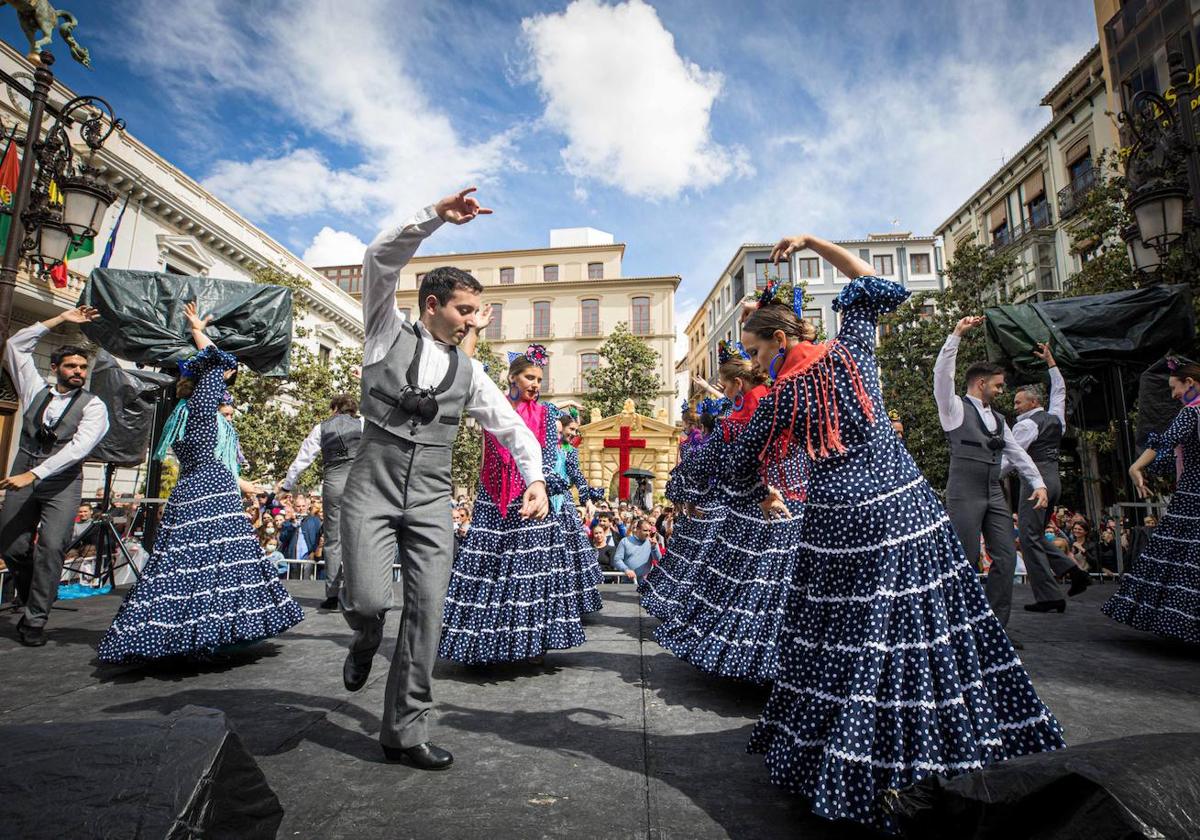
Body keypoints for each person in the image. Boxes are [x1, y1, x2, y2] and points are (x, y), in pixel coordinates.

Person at [686, 234, 1064, 833]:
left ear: (782, 341)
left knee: (849, 639)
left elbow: (734, 462)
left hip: (840, 522)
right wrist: (813, 240)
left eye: (757, 352)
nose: (755, 364)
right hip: (905, 510)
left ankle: (859, 761)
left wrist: (692, 477)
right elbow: (879, 284)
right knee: (922, 629)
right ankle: (938, 748)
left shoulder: (780, 397)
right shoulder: (853, 349)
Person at [338, 188, 550, 772]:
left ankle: (404, 731)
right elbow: (379, 257)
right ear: (432, 305)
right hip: (372, 486)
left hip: (431, 497)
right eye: (463, 310)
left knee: (428, 609)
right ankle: (363, 636)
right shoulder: (384, 331)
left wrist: (536, 480)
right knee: (367, 599)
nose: (471, 321)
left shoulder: (472, 371)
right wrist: (434, 216)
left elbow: (513, 430)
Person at [97, 301, 302, 663]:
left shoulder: (183, 415)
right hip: (211, 494)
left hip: (190, 493)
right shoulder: (204, 410)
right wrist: (197, 331)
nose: (230, 394)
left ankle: (175, 635)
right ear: (209, 389)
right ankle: (205, 635)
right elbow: (221, 360)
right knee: (217, 564)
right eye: (226, 394)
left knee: (183, 565)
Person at [656, 337, 804, 683]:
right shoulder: (785, 401)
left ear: (738, 384)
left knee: (743, 590)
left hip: (749, 513)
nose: (722, 392)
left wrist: (682, 491)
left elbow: (711, 463)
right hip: (795, 511)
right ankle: (783, 669)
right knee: (780, 593)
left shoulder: (737, 420)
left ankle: (744, 662)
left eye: (723, 386)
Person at [438, 348, 586, 665]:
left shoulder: (547, 414)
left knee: (529, 576)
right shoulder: (495, 405)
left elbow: (547, 457)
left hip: (532, 499)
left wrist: (542, 489)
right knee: (488, 571)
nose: (535, 384)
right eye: (529, 377)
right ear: (513, 377)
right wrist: (480, 489)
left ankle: (529, 644)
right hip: (494, 498)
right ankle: (483, 645)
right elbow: (483, 451)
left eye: (539, 379)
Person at [0, 305, 110, 646]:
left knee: (51, 548)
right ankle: (34, 590)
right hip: (23, 474)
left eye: (82, 366)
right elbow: (16, 346)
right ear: (56, 368)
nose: (78, 371)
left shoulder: (93, 406)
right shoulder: (35, 389)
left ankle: (35, 620)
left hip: (60, 482)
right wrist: (60, 319)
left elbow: (77, 449)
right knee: (12, 547)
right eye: (71, 366)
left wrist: (34, 474)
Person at [934, 316, 1048, 632]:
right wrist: (956, 334)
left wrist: (1037, 483)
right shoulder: (953, 408)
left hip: (994, 492)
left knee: (1007, 559)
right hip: (964, 492)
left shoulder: (999, 418)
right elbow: (942, 374)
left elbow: (1016, 453)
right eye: (998, 385)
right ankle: (959, 627)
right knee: (965, 560)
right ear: (981, 383)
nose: (1001, 391)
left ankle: (993, 628)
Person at [1102, 357, 1200, 643]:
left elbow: (1164, 442)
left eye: (1174, 388)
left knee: (1184, 559)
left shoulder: (1191, 414)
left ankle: (1183, 623)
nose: (1173, 395)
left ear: (1190, 383)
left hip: (1193, 496)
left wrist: (1136, 466)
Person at [1006, 344, 1091, 614]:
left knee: (1028, 538)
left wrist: (988, 475)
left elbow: (1013, 457)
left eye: (1018, 402)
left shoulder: (1026, 425)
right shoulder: (1055, 420)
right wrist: (1052, 364)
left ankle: (1049, 595)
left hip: (1035, 485)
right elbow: (1060, 394)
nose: (1015, 406)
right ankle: (1072, 572)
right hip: (1054, 481)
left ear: (1032, 403)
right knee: (1034, 535)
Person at [639, 398, 729, 619]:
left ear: (697, 425)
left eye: (688, 424)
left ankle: (683, 604)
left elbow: (687, 475)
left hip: (699, 508)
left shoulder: (692, 445)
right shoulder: (705, 444)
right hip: (713, 506)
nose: (686, 428)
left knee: (691, 557)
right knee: (703, 558)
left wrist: (684, 500)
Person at [278, 394, 363, 610]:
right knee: (360, 538)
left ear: (334, 408)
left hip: (333, 484)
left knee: (334, 540)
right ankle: (359, 593)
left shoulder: (321, 428)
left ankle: (332, 595)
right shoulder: (364, 424)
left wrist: (287, 485)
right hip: (359, 484)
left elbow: (303, 458)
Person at [549, 410, 605, 614]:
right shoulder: (543, 447)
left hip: (563, 504)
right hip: (544, 502)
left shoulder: (570, 450)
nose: (574, 433)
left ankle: (569, 604)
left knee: (570, 554)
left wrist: (587, 498)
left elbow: (577, 475)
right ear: (559, 427)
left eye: (576, 430)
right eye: (571, 429)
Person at [279, 492, 322, 581]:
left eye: (303, 506)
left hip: (309, 559)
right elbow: (283, 538)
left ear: (307, 507)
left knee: (307, 584)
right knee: (294, 584)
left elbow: (319, 538)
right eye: (298, 506)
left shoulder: (314, 520)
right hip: (293, 559)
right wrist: (293, 524)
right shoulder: (288, 522)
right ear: (294, 507)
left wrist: (314, 552)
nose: (301, 508)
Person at [612, 518, 661, 583]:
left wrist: (654, 548)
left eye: (649, 531)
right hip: (628, 580)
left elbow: (658, 559)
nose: (648, 533)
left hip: (646, 581)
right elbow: (617, 560)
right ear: (637, 529)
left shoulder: (652, 542)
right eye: (645, 530)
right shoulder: (625, 541)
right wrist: (626, 570)